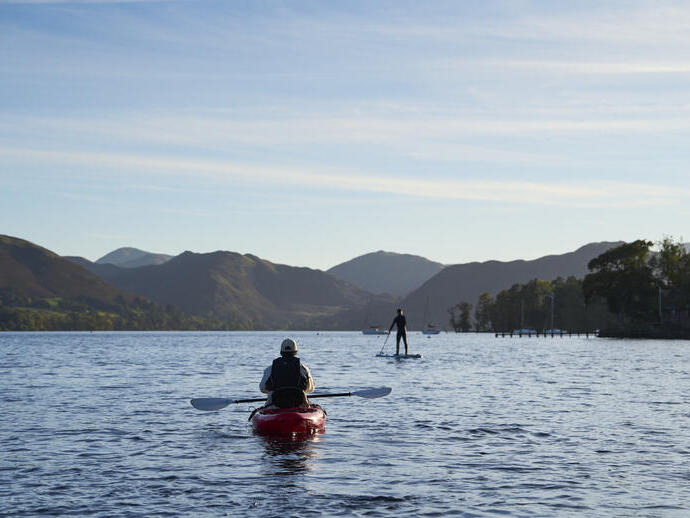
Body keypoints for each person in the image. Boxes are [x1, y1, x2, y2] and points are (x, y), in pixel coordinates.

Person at [259, 338, 315, 408]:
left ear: (281, 352)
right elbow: (310, 389)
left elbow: (262, 388)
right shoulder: (304, 369)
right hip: (298, 405)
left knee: (271, 393)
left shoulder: (270, 369)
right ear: (296, 352)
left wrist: (275, 389)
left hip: (275, 405)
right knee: (304, 394)